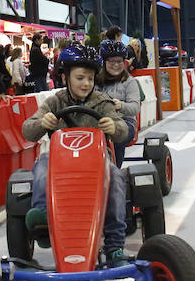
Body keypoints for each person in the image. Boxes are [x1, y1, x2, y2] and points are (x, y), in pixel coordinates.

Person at [21, 43, 130, 268]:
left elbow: (123, 131)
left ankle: (114, 246)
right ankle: (43, 216)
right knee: (42, 164)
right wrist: (43, 123)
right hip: (62, 163)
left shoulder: (102, 102)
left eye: (90, 79)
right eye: (80, 78)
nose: (86, 83)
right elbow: (27, 130)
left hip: (96, 162)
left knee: (117, 177)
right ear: (66, 76)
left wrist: (113, 127)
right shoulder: (55, 101)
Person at [97, 39, 141, 168]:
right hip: (100, 122)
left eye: (119, 61)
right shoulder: (96, 82)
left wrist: (120, 105)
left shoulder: (129, 82)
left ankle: (115, 170)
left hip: (125, 122)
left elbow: (135, 107)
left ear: (124, 62)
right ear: (104, 62)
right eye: (112, 61)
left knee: (115, 133)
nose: (116, 65)